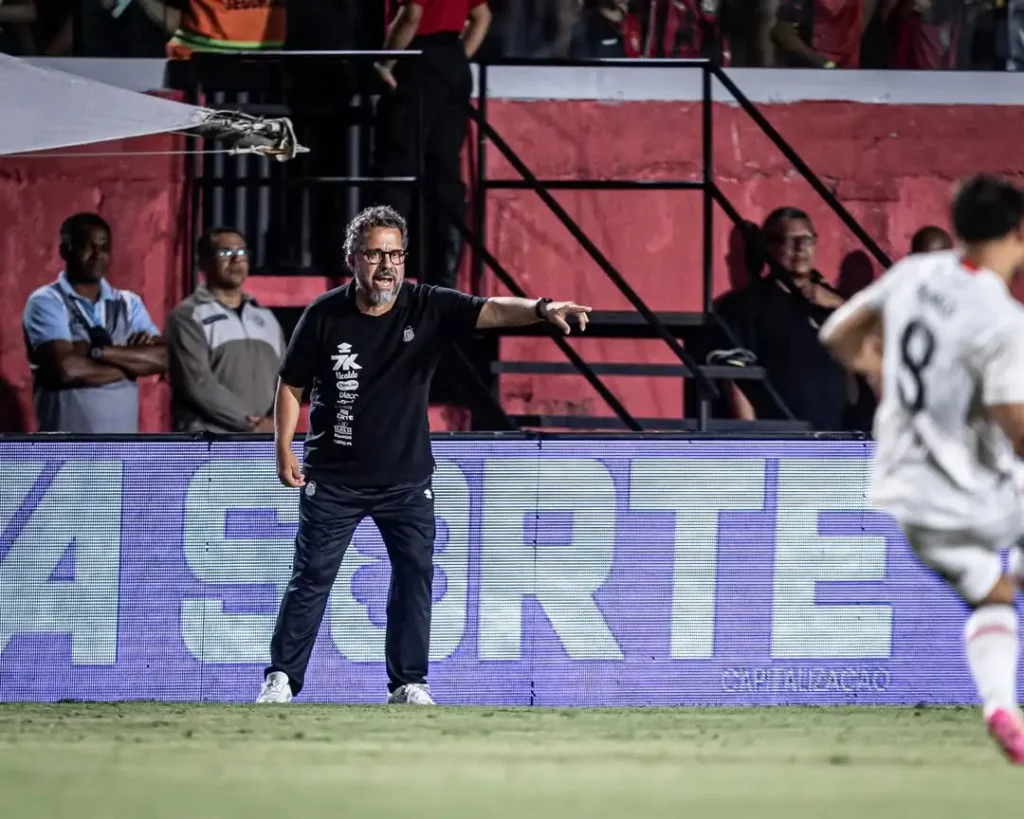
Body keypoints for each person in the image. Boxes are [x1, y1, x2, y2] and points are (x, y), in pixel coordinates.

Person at [257, 205, 590, 704]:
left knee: (415, 578)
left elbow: (491, 309)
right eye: (375, 254)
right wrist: (283, 446)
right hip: (334, 478)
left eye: (395, 255)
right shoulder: (324, 315)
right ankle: (281, 678)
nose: (386, 265)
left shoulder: (426, 305)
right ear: (352, 259)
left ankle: (408, 682)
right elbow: (292, 384)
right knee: (312, 578)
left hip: (406, 481)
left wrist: (541, 308)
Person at [819, 174, 1024, 763]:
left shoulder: (915, 273)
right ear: (1018, 232)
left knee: (993, 597)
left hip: (908, 488)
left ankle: (1002, 706)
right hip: (976, 488)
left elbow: (837, 334)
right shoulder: (1002, 320)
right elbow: (1013, 421)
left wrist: (884, 375)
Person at [372, 0, 492, 290]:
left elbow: (412, 15)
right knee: (446, 175)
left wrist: (384, 63)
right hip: (452, 62)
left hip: (416, 59)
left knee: (397, 173)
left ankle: (387, 274)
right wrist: (456, 60)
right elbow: (482, 17)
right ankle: (444, 280)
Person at [22, 212, 167, 433]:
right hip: (66, 446)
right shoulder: (46, 301)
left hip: (122, 445)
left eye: (104, 247)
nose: (98, 255)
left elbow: (164, 358)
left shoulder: (129, 303)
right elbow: (68, 369)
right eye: (87, 247)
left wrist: (99, 352)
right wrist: (131, 364)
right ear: (65, 251)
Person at [166, 228, 284, 433]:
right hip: (210, 440)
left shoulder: (266, 317)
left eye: (242, 252)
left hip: (263, 440)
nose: (236, 260)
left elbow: (285, 378)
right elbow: (198, 384)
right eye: (225, 253)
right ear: (202, 263)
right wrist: (251, 424)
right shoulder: (188, 315)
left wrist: (274, 422)